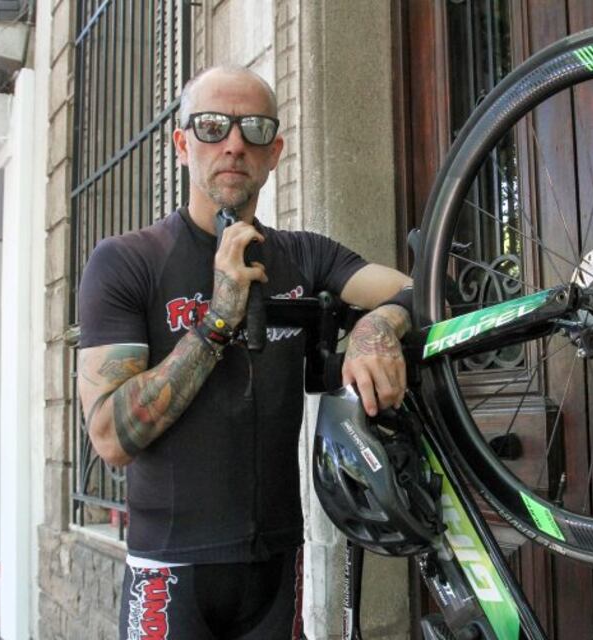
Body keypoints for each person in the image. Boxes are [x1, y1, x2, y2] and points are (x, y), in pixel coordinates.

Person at [76, 65, 412, 640]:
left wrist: (373, 329)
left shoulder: (305, 257)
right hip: (171, 567)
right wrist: (216, 323)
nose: (234, 143)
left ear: (275, 151)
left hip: (277, 563)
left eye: (254, 128)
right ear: (182, 144)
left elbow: (415, 291)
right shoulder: (128, 261)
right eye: (212, 126)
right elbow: (110, 437)